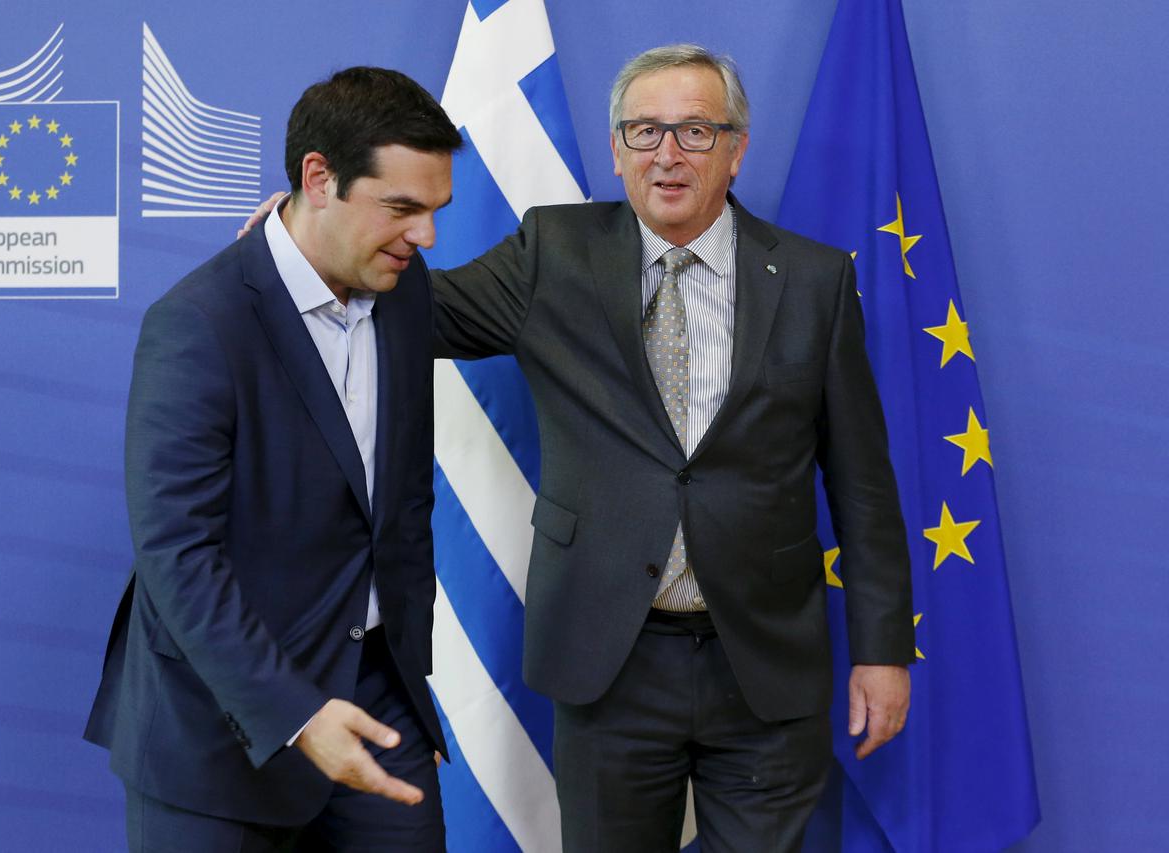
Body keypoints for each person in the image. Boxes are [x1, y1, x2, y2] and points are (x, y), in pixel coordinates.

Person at [245, 44, 913, 853]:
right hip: (610, 661)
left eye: (696, 131)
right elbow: (414, 310)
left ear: (737, 150)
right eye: (644, 131)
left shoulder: (814, 280)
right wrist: (313, 243)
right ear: (615, 150)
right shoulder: (552, 254)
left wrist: (882, 650)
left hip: (765, 666)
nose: (667, 154)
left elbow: (863, 483)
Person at [84, 67, 462, 852]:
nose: (425, 236)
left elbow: (402, 502)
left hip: (376, 701)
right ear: (318, 179)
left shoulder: (405, 285)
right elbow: (175, 553)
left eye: (434, 211)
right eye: (403, 208)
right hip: (216, 730)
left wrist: (410, 686)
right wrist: (294, 711)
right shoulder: (199, 322)